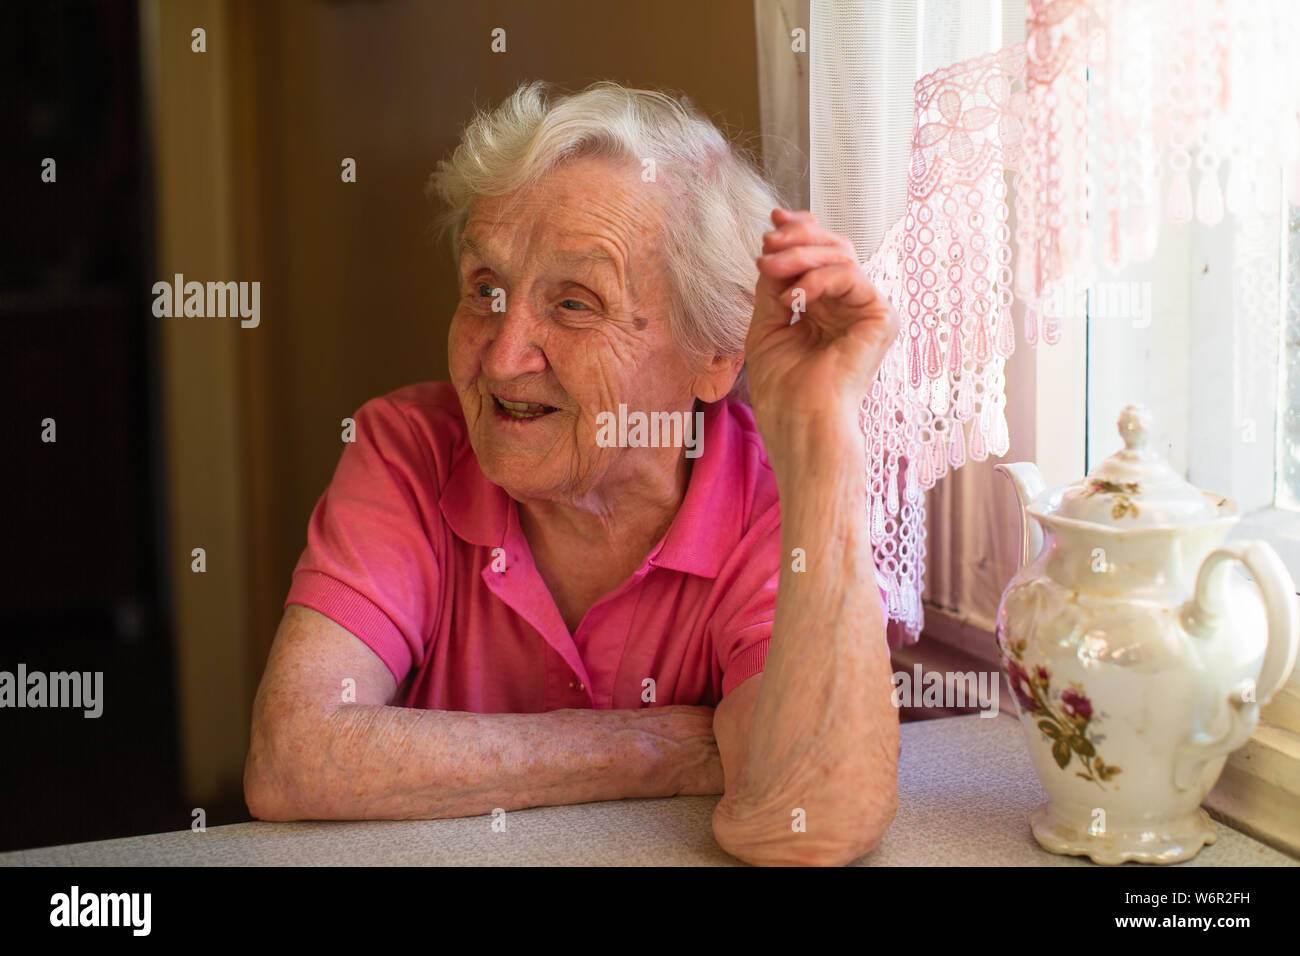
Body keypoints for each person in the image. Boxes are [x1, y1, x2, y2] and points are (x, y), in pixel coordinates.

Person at [243, 80, 901, 866]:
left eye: (576, 304)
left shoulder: (769, 507)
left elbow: (808, 823)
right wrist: (663, 745)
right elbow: (295, 756)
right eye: (485, 290)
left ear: (717, 355)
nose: (502, 354)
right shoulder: (409, 450)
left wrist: (825, 440)